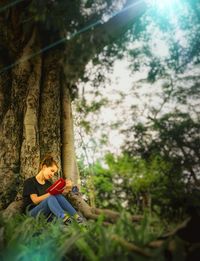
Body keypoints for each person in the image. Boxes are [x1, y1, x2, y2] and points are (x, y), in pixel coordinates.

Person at [23, 155, 83, 225]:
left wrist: (66, 188)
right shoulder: (30, 182)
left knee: (57, 195)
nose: (52, 174)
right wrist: (51, 193)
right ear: (44, 167)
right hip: (32, 214)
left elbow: (57, 200)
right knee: (51, 197)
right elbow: (35, 200)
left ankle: (77, 218)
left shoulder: (49, 184)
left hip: (46, 213)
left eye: (54, 173)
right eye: (52, 171)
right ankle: (64, 218)